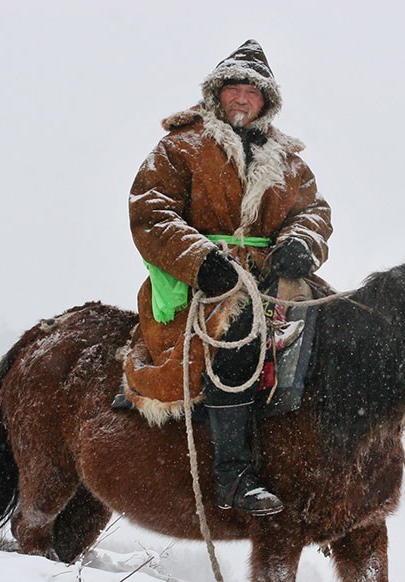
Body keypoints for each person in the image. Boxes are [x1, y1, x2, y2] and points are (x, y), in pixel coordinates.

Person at [126, 39, 332, 516]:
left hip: (273, 277)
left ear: (266, 102)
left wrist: (301, 243)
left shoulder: (291, 163)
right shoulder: (179, 147)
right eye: (233, 89)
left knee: (339, 328)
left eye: (252, 92)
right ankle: (233, 476)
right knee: (239, 338)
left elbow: (314, 212)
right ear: (217, 94)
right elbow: (150, 212)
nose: (241, 98)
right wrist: (201, 259)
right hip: (202, 283)